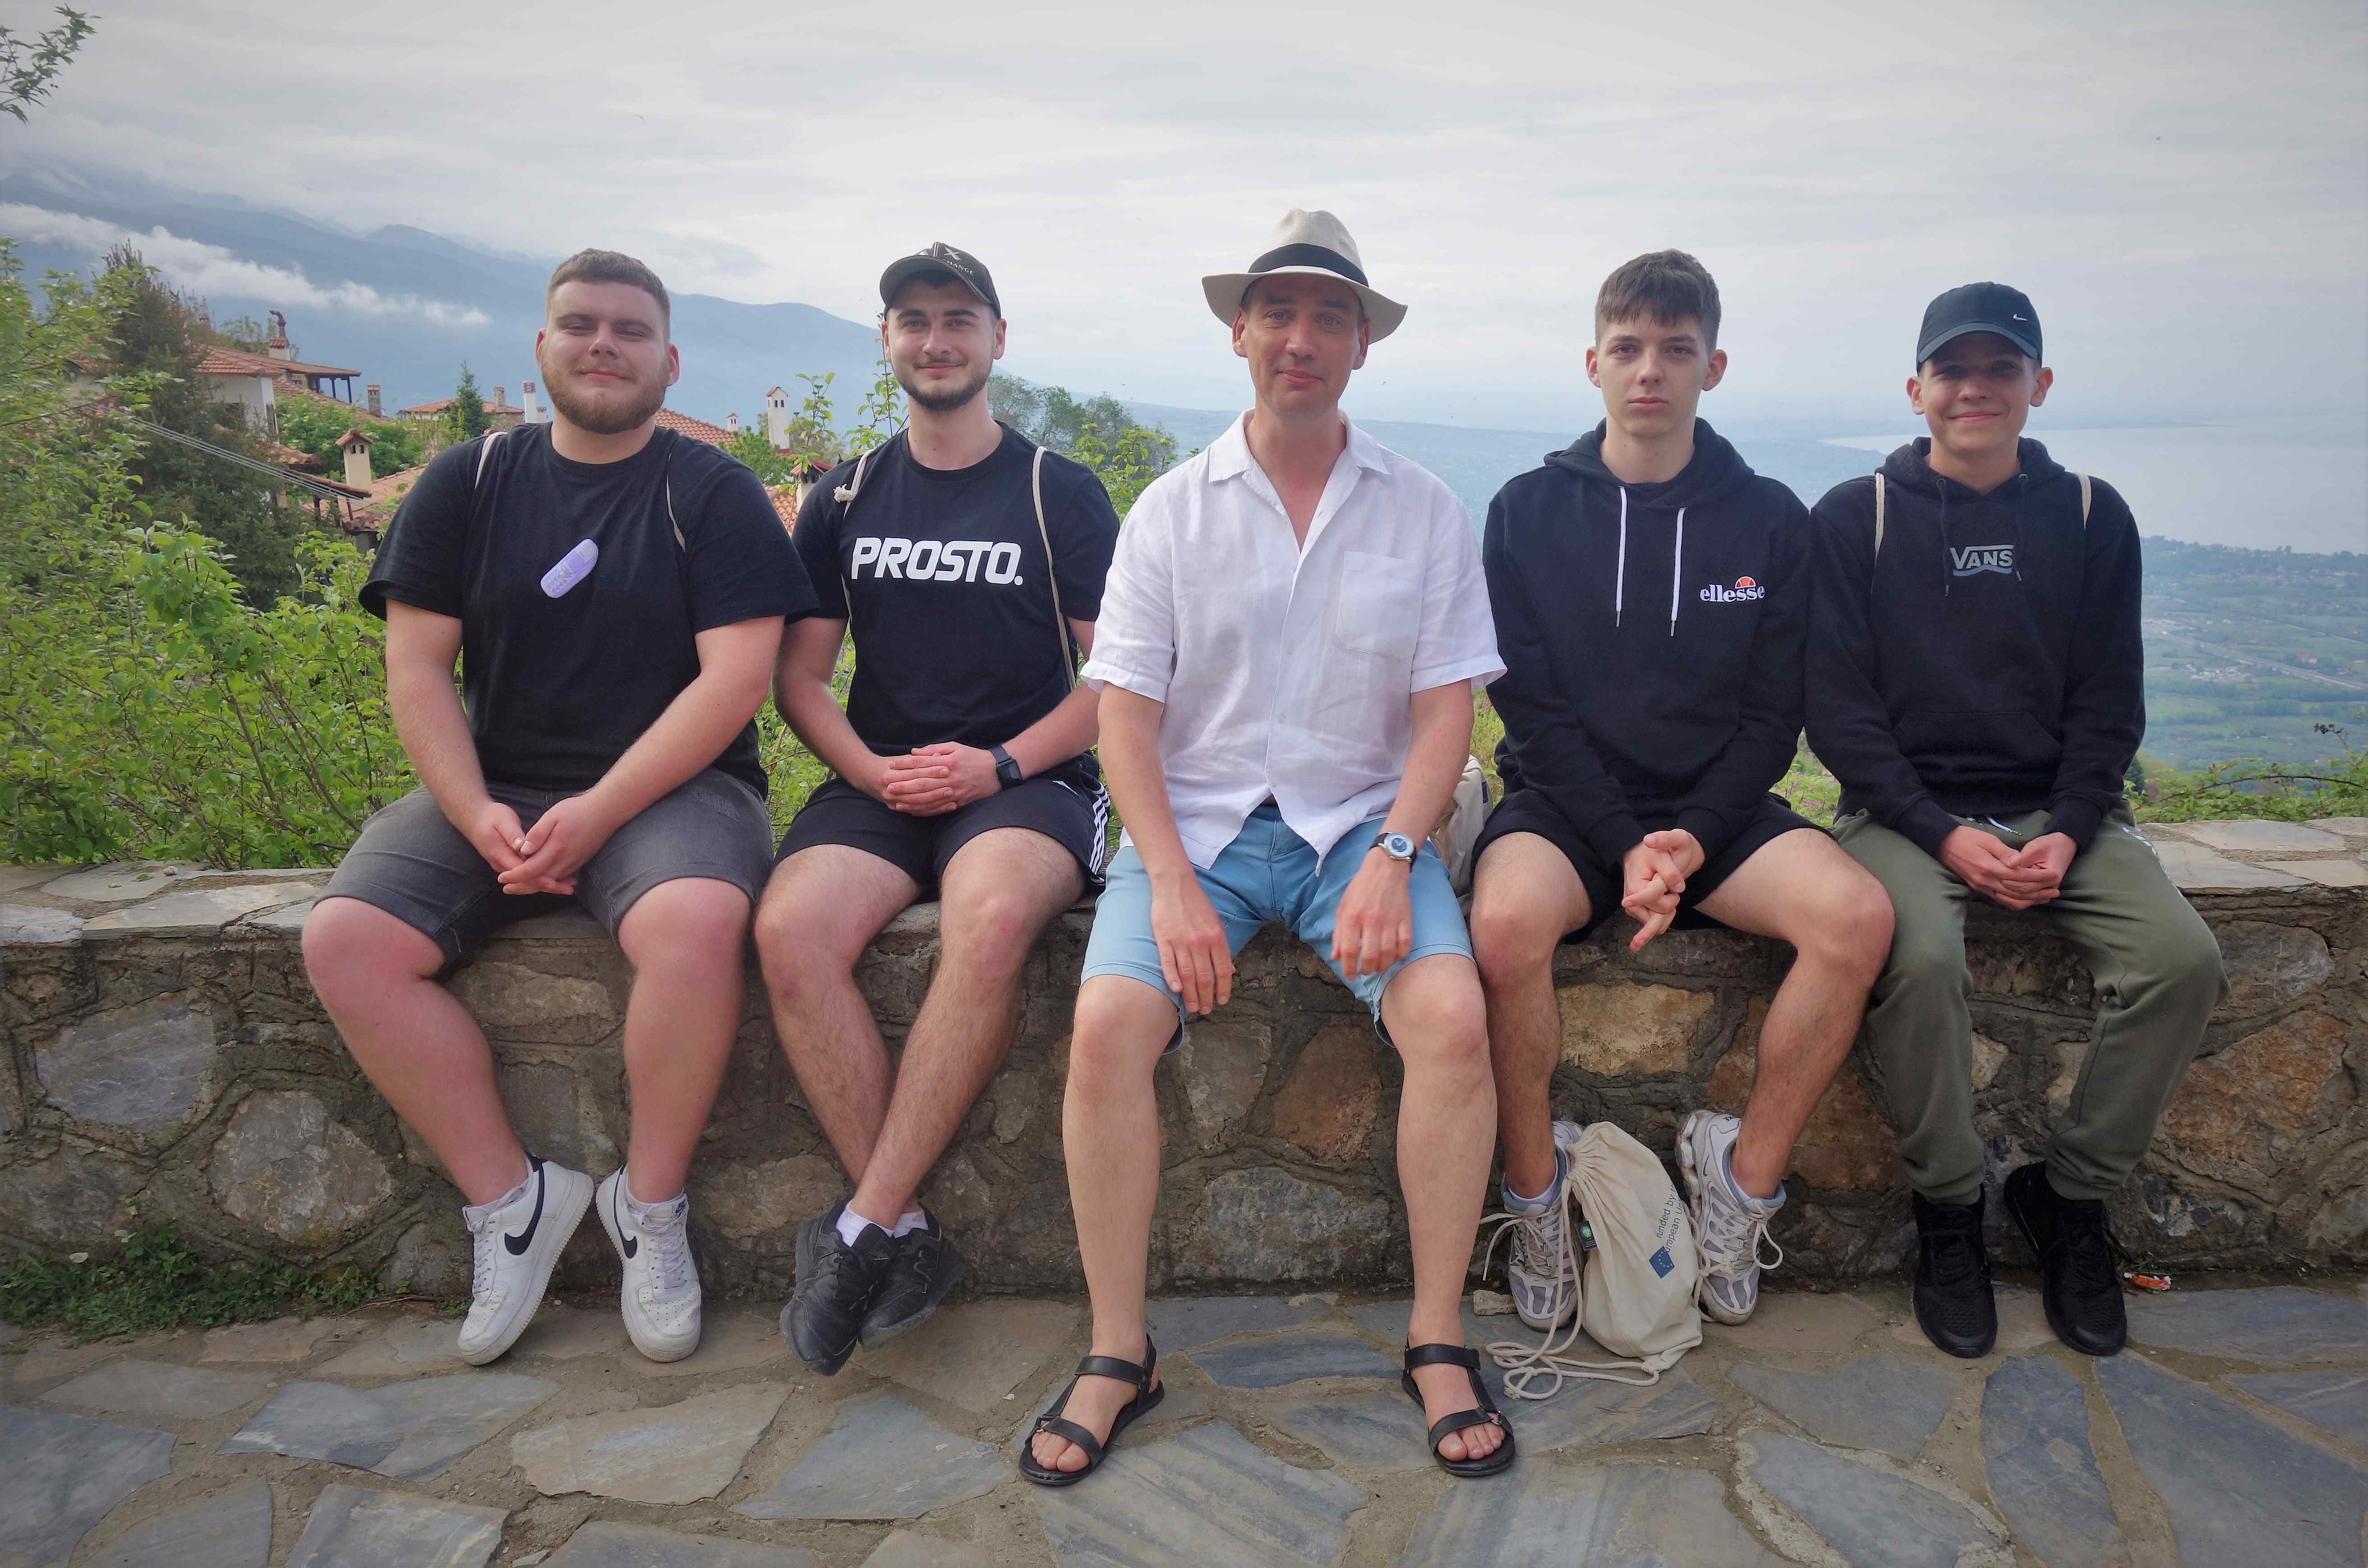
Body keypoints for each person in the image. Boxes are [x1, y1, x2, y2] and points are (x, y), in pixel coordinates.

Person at [1022, 210, 1514, 1485]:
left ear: (1361, 344)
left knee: (1454, 1020)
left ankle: (1438, 1335)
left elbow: (1444, 710)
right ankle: (1118, 1348)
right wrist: (1171, 884)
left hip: (1360, 826)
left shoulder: (1423, 509)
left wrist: (1395, 853)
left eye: (1328, 316)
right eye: (1278, 312)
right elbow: (1125, 714)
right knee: (1106, 1027)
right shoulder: (1171, 511)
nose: (1301, 337)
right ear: (1239, 332)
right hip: (1196, 826)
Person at [303, 249, 814, 1366]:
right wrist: (473, 808)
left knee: (695, 923)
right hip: (494, 783)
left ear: (669, 361)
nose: (603, 345)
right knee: (346, 942)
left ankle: (650, 1204)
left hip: (677, 788)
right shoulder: (467, 483)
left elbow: (733, 683)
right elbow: (417, 670)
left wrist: (596, 811)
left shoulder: (712, 493)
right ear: (542, 347)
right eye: (580, 324)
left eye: (630, 330)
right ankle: (512, 1203)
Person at [1469, 249, 1895, 1333]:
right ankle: (1535, 1197)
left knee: (1856, 916)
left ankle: (1740, 1185)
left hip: (1722, 812)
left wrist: (1692, 837)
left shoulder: (1770, 519)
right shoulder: (1526, 511)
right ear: (1593, 364)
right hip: (1568, 809)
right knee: (1505, 924)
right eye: (1627, 348)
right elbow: (1532, 713)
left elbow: (1773, 717)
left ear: (1714, 364)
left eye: (1675, 348)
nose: (1649, 369)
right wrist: (1626, 842)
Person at [1807, 282, 2226, 1359]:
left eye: (2001, 368)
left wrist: (2072, 826)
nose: (1975, 389)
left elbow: (2109, 697)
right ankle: (1949, 1208)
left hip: (2061, 811)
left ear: (2040, 385)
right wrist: (1940, 831)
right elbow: (1838, 710)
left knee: (2181, 959)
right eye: (1953, 370)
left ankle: (2068, 1197)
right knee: (1921, 956)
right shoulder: (1858, 517)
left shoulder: (2089, 513)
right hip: (1903, 814)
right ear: (1916, 389)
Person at [761, 244, 1121, 1372]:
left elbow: (1115, 683)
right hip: (881, 781)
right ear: (886, 341)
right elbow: (799, 678)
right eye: (913, 320)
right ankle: (903, 1229)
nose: (936, 339)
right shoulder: (844, 495)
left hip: (1028, 782)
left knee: (994, 917)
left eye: (959, 318)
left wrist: (997, 765)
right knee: (787, 931)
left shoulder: (1056, 491)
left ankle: (860, 1226)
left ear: (998, 339)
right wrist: (872, 772)